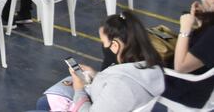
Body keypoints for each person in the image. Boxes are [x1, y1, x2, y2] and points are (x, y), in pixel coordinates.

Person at [36, 11, 164, 111]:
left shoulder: (120, 85)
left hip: (94, 102)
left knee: (41, 104)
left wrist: (79, 89)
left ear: (115, 45)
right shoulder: (152, 67)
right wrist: (96, 75)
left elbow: (117, 90)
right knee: (43, 102)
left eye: (104, 42)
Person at [162, 0, 214, 108]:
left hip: (185, 89)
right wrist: (203, 21)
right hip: (201, 85)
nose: (201, 1)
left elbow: (181, 67)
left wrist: (185, 29)